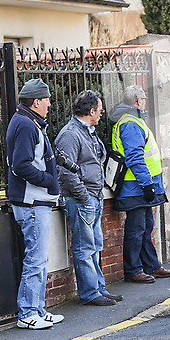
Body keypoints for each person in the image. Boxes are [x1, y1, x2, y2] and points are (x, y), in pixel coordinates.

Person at [55, 90, 123, 306]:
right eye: (100, 110)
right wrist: (84, 197)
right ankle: (91, 293)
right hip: (82, 199)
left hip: (93, 197)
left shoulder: (88, 131)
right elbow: (65, 171)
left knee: (94, 245)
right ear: (91, 111)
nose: (102, 114)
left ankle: (99, 289)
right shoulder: (70, 134)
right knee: (85, 247)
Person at [6, 78, 64, 329]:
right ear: (37, 101)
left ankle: (37, 309)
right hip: (31, 202)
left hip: (34, 201)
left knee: (39, 258)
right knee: (36, 259)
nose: (50, 104)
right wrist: (49, 180)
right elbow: (21, 165)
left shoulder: (27, 122)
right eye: (47, 100)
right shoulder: (27, 125)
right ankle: (28, 314)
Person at [109, 85, 170, 283]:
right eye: (143, 98)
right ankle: (133, 270)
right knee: (136, 229)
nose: (145, 102)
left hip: (138, 185)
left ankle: (151, 266)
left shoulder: (134, 121)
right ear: (137, 101)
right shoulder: (130, 124)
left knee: (146, 226)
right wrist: (146, 185)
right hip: (134, 186)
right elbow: (135, 158)